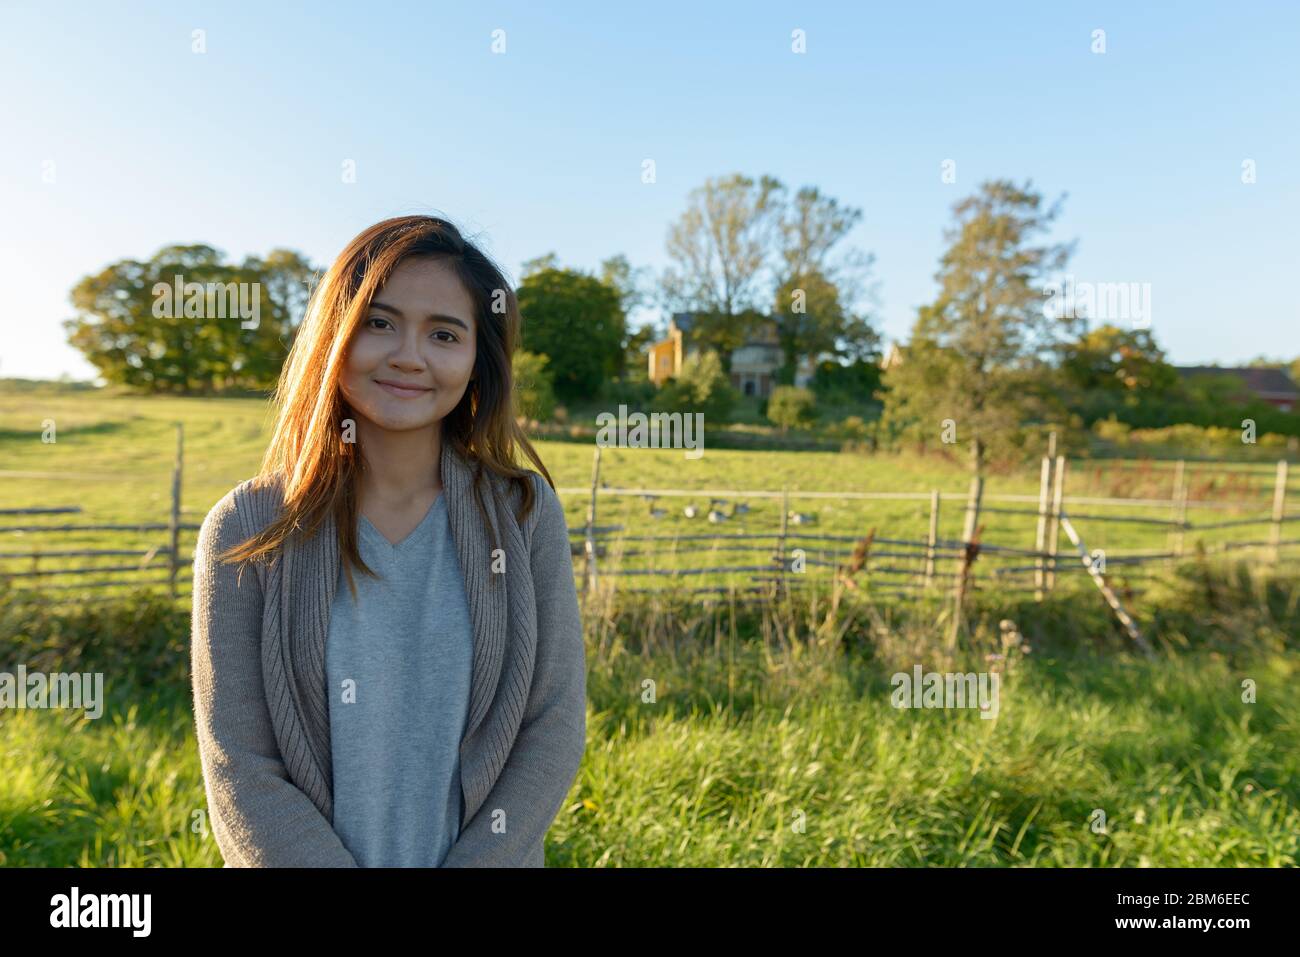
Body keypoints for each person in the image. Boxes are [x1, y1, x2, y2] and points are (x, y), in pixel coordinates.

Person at [189, 214, 587, 867]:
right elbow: (242, 768)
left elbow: (552, 726)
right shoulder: (245, 528)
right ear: (333, 337)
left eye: (444, 333)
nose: (409, 354)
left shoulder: (524, 515)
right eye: (379, 322)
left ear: (476, 361)